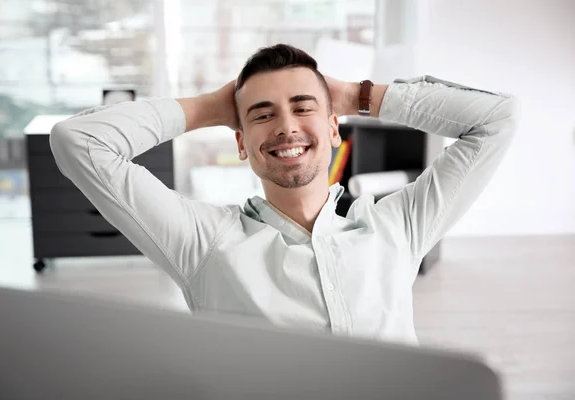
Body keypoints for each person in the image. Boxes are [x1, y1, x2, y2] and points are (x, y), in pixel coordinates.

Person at [50, 44, 519, 345]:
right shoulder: (204, 243)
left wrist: (359, 94)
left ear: (335, 126)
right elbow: (78, 142)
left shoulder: (398, 224)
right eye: (262, 115)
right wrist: (216, 106)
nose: (287, 126)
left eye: (303, 107)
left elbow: (496, 120)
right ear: (240, 142)